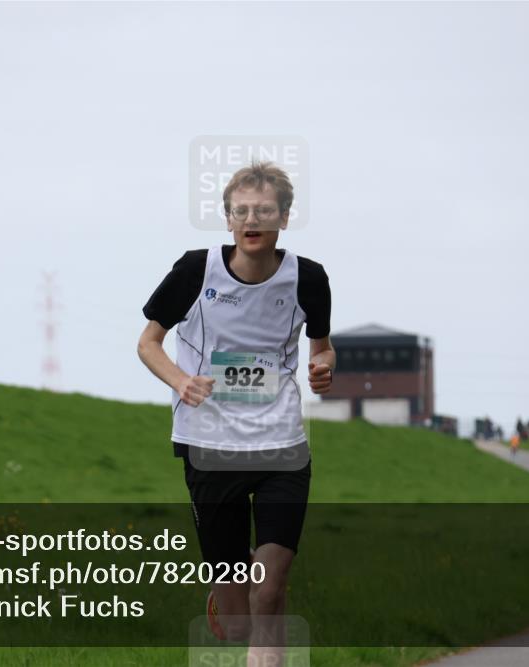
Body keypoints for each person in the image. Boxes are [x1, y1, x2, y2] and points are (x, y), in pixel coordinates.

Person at [138, 161, 333, 662]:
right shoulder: (193, 271)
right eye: (241, 211)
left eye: (264, 211)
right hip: (210, 447)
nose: (252, 220)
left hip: (281, 447)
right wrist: (182, 381)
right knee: (238, 618)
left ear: (284, 219)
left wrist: (323, 367)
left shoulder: (307, 278)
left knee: (269, 593)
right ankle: (233, 591)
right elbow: (149, 343)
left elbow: (322, 347)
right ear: (228, 220)